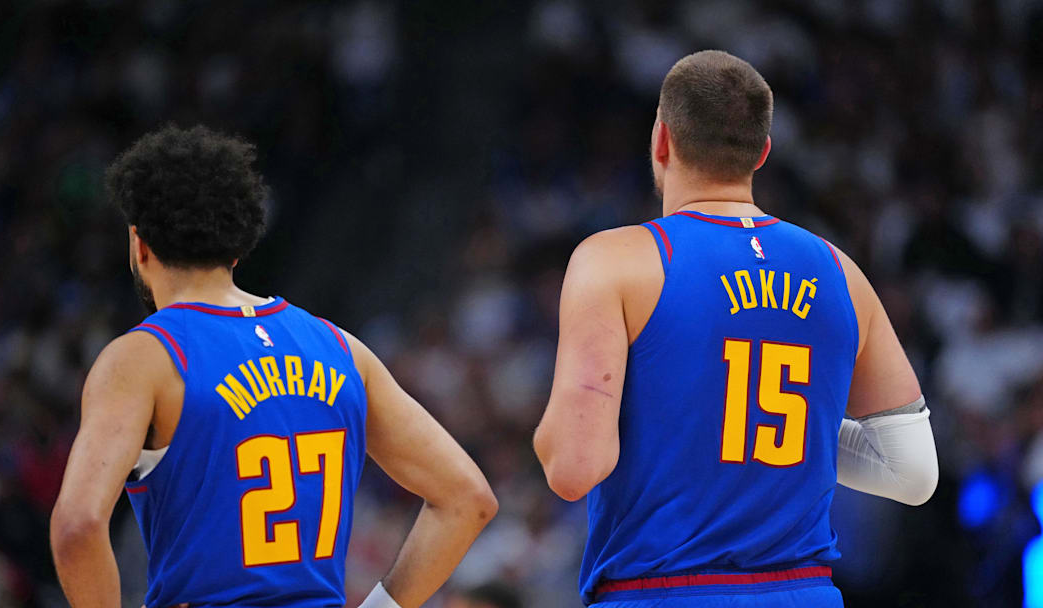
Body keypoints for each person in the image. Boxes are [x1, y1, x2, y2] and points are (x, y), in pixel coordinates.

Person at [533, 50, 938, 607]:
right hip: (803, 594)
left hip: (664, 593)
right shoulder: (840, 270)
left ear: (661, 141)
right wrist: (786, 428)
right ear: (762, 153)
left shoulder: (613, 261)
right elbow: (913, 474)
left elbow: (573, 468)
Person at [50, 125, 498, 608]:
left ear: (139, 245)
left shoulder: (142, 358)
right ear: (238, 245)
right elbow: (468, 499)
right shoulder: (340, 347)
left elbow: (78, 526)